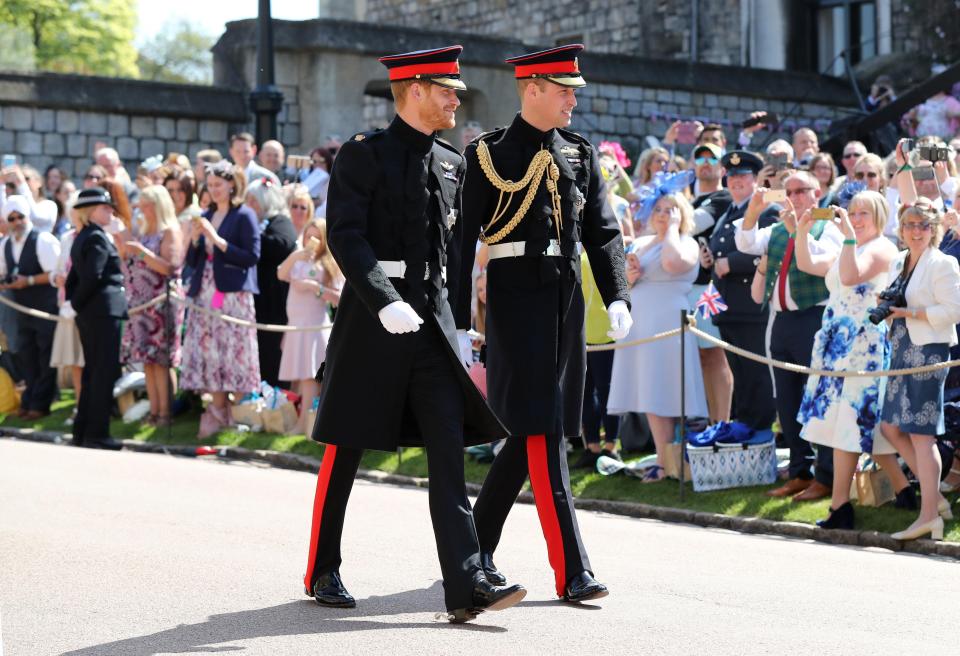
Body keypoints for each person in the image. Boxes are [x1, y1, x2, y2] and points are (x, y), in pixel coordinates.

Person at [304, 46, 524, 623]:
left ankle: (467, 581)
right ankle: (323, 565)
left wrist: (459, 329)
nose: (456, 98)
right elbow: (347, 237)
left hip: (430, 326)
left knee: (448, 451)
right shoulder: (362, 156)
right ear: (415, 91)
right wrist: (383, 299)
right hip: (375, 319)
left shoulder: (452, 163)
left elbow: (452, 258)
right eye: (446, 89)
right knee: (346, 445)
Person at [458, 44, 632, 603]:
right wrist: (460, 320)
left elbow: (603, 231)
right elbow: (461, 246)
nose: (572, 100)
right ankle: (572, 569)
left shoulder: (579, 152)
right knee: (545, 429)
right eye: (563, 90)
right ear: (530, 88)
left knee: (533, 428)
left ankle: (474, 544)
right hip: (516, 301)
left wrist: (617, 295)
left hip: (566, 301)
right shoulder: (487, 155)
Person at [795, 191, 911, 529]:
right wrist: (801, 230)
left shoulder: (882, 248)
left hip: (863, 349)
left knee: (848, 425)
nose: (856, 219)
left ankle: (840, 506)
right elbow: (807, 264)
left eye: (864, 213)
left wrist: (846, 236)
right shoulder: (853, 246)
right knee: (851, 423)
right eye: (852, 212)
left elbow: (849, 276)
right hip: (836, 346)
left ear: (879, 216)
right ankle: (904, 490)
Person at [737, 170, 844, 502]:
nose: (795, 197)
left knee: (819, 399)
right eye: (790, 191)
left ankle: (825, 475)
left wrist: (796, 229)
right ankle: (800, 471)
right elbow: (746, 242)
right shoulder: (776, 228)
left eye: (802, 191)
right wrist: (754, 208)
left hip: (814, 317)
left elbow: (821, 263)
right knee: (786, 400)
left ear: (817, 193)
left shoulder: (831, 228)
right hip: (781, 320)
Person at [607, 189, 708, 481]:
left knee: (669, 389)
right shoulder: (640, 242)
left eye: (670, 210)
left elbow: (674, 264)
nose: (663, 215)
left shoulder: (686, 242)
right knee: (650, 391)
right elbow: (623, 281)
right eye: (660, 209)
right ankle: (663, 462)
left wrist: (673, 230)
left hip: (669, 323)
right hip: (641, 323)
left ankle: (677, 461)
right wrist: (631, 275)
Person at [879, 198, 960, 540]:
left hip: (929, 352)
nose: (916, 231)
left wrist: (909, 313)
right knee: (890, 429)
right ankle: (936, 499)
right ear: (900, 229)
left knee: (921, 436)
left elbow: (953, 311)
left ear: (934, 230)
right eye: (910, 225)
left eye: (923, 225)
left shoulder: (943, 264)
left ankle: (929, 515)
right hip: (901, 349)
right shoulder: (899, 261)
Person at [180, 162, 261, 439]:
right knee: (211, 349)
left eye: (218, 185)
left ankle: (241, 412)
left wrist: (217, 240)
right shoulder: (204, 214)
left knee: (234, 349)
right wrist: (194, 240)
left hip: (233, 294)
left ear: (231, 185)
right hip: (206, 291)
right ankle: (216, 409)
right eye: (210, 185)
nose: (213, 190)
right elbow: (192, 261)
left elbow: (252, 256)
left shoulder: (244, 215)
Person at [702, 150, 777, 432]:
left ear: (756, 179)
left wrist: (730, 263)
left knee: (756, 373)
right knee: (740, 373)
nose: (737, 181)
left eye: (743, 176)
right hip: (728, 307)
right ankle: (744, 425)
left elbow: (769, 250)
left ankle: (759, 428)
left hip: (751, 305)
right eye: (732, 176)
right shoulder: (729, 211)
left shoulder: (766, 209)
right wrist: (711, 261)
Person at [65, 187, 129, 450]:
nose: (110, 211)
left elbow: (73, 280)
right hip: (102, 311)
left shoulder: (84, 237)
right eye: (105, 207)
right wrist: (78, 303)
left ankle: (83, 431)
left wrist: (75, 304)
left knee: (93, 373)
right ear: (91, 211)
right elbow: (92, 276)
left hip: (93, 311)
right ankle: (97, 433)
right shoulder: (97, 238)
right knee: (102, 373)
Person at [120, 185, 185, 427]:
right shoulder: (144, 231)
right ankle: (154, 411)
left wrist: (143, 252)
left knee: (163, 359)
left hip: (163, 301)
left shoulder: (170, 231)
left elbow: (170, 266)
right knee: (147, 360)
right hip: (143, 304)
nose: (143, 210)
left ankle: (166, 413)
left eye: (147, 205)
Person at [276, 218, 342, 434]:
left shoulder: (329, 263)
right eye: (308, 235)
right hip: (296, 325)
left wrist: (315, 288)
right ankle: (304, 422)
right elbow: (281, 273)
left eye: (316, 236)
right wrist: (296, 254)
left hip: (314, 327)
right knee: (301, 375)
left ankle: (305, 424)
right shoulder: (298, 259)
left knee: (310, 376)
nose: (311, 240)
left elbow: (339, 298)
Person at [0, 195, 60, 419]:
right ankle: (29, 399)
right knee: (28, 355)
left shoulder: (43, 240)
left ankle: (41, 404)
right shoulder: (6, 244)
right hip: (21, 308)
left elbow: (55, 274)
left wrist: (30, 280)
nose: (17, 222)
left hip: (45, 307)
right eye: (12, 218)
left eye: (20, 217)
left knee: (45, 354)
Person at [689, 142, 734, 423]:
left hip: (710, 289)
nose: (705, 162)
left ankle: (723, 421)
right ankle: (711, 421)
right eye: (700, 157)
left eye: (712, 158)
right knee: (702, 358)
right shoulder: (690, 199)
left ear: (722, 166)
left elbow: (690, 224)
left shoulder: (723, 196)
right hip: (689, 286)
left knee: (715, 354)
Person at [245, 178, 297, 387]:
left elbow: (282, 244)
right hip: (259, 297)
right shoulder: (256, 224)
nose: (250, 205)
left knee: (272, 350)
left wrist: (254, 236)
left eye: (254, 201)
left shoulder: (280, 222)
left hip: (274, 298)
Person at [49, 200, 84, 414]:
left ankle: (88, 408)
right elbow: (56, 270)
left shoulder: (96, 237)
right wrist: (58, 278)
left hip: (85, 307)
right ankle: (79, 408)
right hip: (67, 307)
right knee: (74, 362)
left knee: (86, 361)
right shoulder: (66, 239)